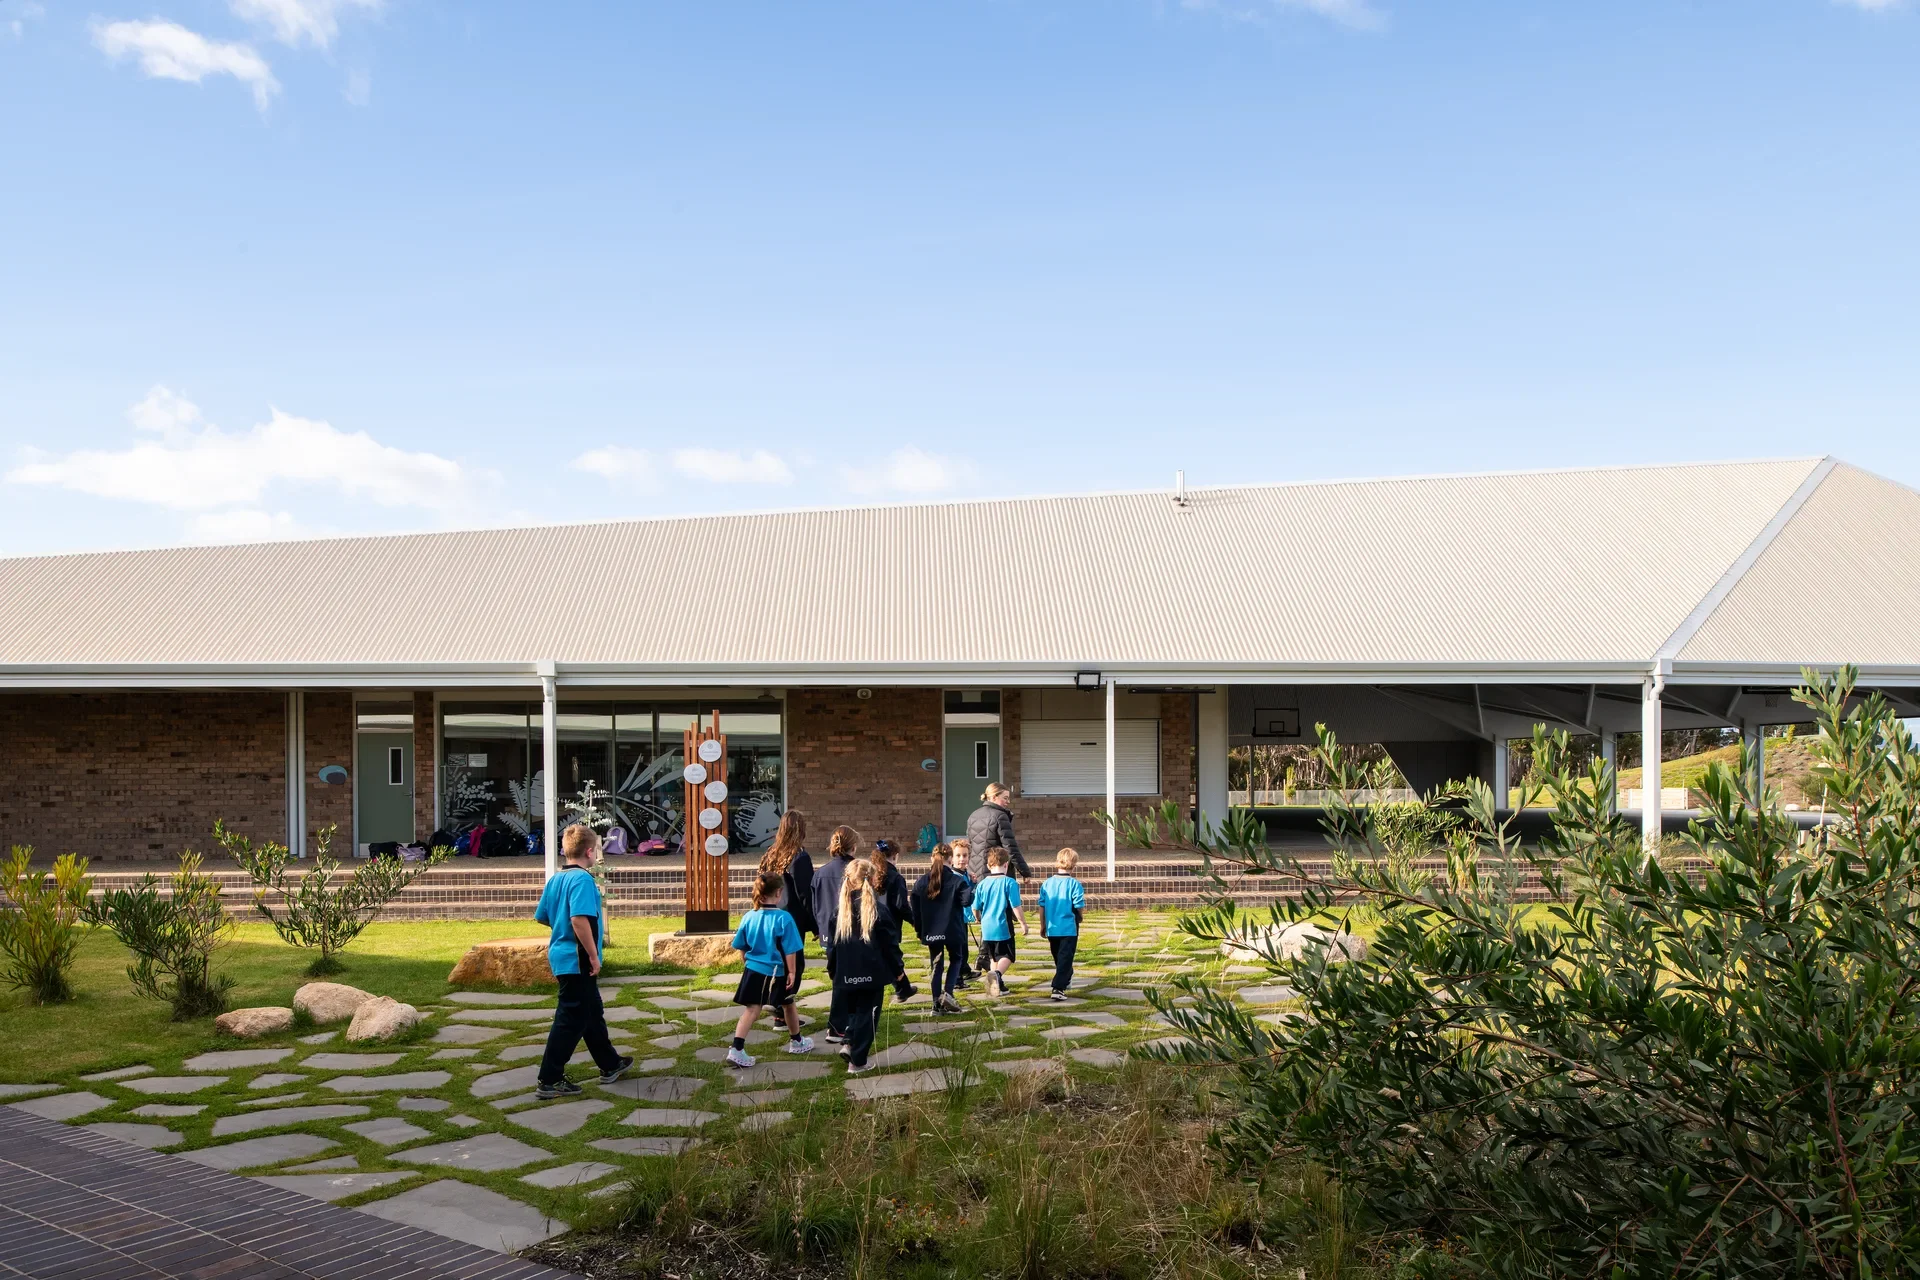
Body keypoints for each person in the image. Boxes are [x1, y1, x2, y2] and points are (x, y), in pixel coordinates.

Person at [533, 823, 634, 1099]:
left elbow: (543, 916)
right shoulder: (583, 880)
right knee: (570, 1017)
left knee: (590, 1011)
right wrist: (592, 954)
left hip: (561, 955)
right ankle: (549, 1078)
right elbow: (579, 919)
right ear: (590, 851)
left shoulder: (556, 879)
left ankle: (610, 1064)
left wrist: (560, 927)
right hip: (577, 958)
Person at [830, 857, 914, 1074]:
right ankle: (858, 1062)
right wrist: (898, 973)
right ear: (874, 879)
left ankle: (849, 1043)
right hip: (871, 974)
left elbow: (832, 948)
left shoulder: (839, 912)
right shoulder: (879, 910)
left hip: (846, 973)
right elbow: (890, 946)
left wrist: (834, 971)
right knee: (868, 1016)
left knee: (854, 1013)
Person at [725, 871, 814, 1066]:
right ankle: (794, 1042)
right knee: (787, 1003)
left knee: (752, 1009)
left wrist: (747, 964)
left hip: (753, 969)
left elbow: (741, 945)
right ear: (779, 892)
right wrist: (792, 972)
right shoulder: (785, 918)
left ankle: (737, 1047)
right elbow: (791, 950)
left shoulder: (749, 916)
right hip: (776, 972)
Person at [758, 811, 816, 1013]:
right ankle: (776, 1003)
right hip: (791, 919)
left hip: (771, 915)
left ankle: (779, 1013)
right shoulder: (799, 857)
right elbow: (805, 894)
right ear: (800, 830)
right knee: (794, 966)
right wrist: (815, 924)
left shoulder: (770, 854)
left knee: (778, 962)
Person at [808, 825, 861, 1045]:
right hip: (848, 933)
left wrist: (819, 929)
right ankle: (839, 1025)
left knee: (839, 978)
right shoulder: (855, 871)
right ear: (853, 846)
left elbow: (814, 905)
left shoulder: (820, 873)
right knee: (846, 981)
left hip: (827, 935)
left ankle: (843, 1021)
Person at [908, 843, 971, 1014]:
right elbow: (967, 901)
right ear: (951, 859)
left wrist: (919, 929)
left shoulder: (922, 882)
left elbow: (914, 907)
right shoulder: (957, 880)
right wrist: (970, 886)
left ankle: (936, 1003)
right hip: (953, 929)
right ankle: (948, 993)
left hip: (932, 931)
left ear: (931, 858)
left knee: (937, 965)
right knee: (956, 959)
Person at [972, 845, 1028, 997]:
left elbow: (975, 906)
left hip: (987, 928)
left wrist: (977, 917)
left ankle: (997, 986)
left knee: (993, 956)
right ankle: (996, 974)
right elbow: (1016, 905)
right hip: (1003, 926)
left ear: (989, 865)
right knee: (1008, 956)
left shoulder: (982, 884)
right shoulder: (1010, 883)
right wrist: (1023, 923)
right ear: (1006, 864)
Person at [1037, 847, 1087, 1000]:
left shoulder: (1047, 884)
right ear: (1074, 865)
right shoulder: (1074, 884)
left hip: (1052, 927)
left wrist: (1042, 924)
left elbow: (1042, 906)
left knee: (1058, 956)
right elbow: (1079, 905)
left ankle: (1064, 977)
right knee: (1065, 957)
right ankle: (1058, 988)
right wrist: (1080, 916)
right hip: (1069, 927)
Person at [966, 783, 1030, 878]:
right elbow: (1011, 848)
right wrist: (1025, 872)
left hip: (975, 872)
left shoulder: (973, 815)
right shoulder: (1000, 816)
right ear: (994, 797)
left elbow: (970, 845)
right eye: (1005, 798)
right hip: (996, 871)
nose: (1008, 801)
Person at [946, 837, 977, 986]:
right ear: (951, 858)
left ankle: (964, 970)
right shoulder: (953, 876)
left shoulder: (964, 874)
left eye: (965, 855)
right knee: (959, 949)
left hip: (963, 917)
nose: (962, 859)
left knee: (964, 946)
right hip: (956, 918)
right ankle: (957, 978)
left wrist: (972, 882)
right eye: (958, 855)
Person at [871, 838, 912, 922]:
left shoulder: (871, 875)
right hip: (891, 926)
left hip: (872, 924)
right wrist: (914, 921)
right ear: (895, 855)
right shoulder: (896, 878)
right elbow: (901, 906)